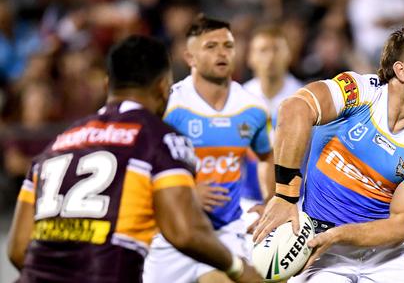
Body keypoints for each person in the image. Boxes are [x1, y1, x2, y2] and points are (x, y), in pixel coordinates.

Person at [6, 35, 261, 283]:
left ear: (107, 85)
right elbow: (183, 232)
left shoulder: (58, 143)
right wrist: (237, 267)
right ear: (163, 86)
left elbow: (17, 250)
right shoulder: (160, 139)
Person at [254, 22, 404, 282]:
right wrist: (285, 195)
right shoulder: (358, 92)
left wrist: (340, 234)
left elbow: (399, 226)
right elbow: (294, 109)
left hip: (384, 257)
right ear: (401, 70)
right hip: (321, 250)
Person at [143, 16, 274, 283]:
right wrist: (186, 192)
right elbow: (141, 164)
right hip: (171, 232)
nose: (222, 53)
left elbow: (267, 156)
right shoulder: (168, 106)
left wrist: (269, 201)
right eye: (211, 46)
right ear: (189, 57)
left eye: (228, 45)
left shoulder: (253, 107)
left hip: (224, 231)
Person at [241, 25, 302, 224]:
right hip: (246, 201)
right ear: (250, 57)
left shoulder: (304, 100)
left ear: (289, 55)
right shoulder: (238, 101)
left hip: (294, 201)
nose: (270, 57)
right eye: (263, 50)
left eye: (276, 49)